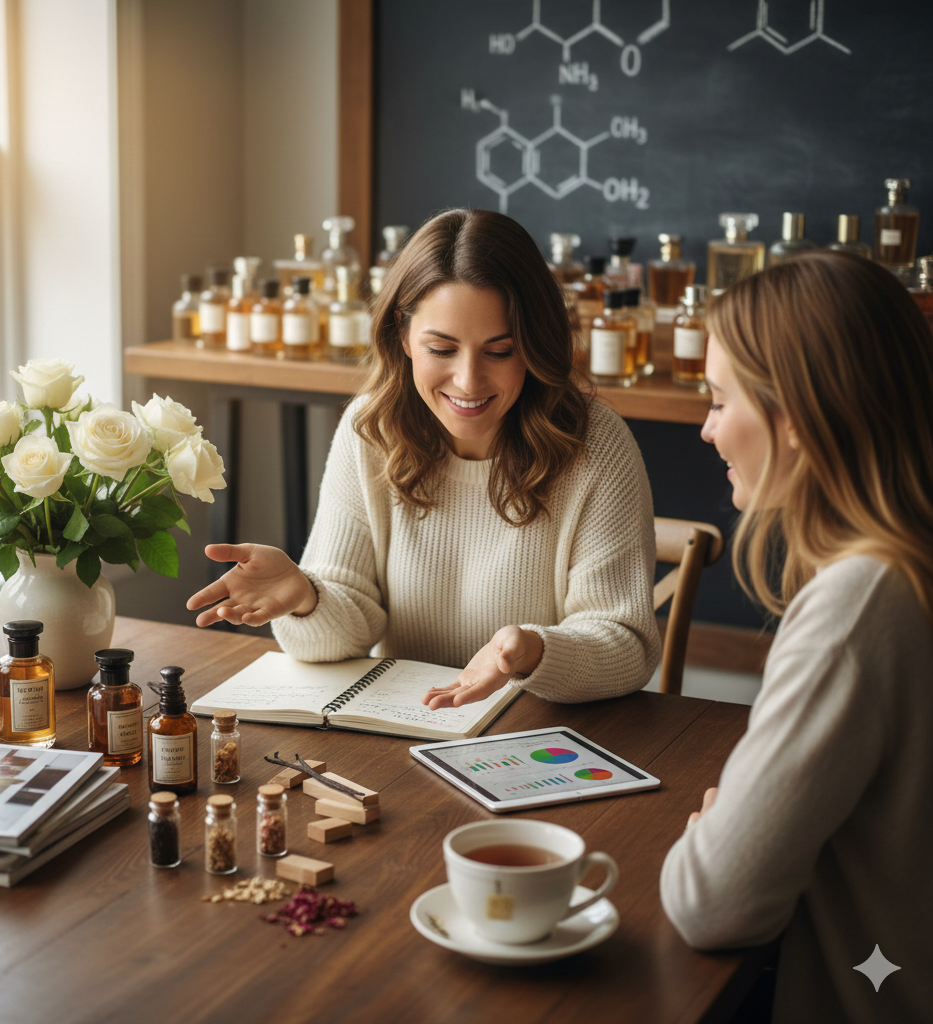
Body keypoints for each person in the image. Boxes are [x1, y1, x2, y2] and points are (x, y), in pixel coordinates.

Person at [187, 208, 659, 706]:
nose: (469, 381)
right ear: (404, 335)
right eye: (442, 349)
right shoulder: (371, 429)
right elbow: (343, 633)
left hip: (539, 733)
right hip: (408, 731)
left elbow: (627, 645)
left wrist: (536, 651)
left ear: (535, 345)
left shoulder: (596, 445)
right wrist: (306, 598)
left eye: (500, 351)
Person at [660, 250, 933, 1023]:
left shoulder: (858, 605)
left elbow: (709, 901)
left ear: (797, 417)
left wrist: (716, 828)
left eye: (718, 399)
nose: (708, 429)